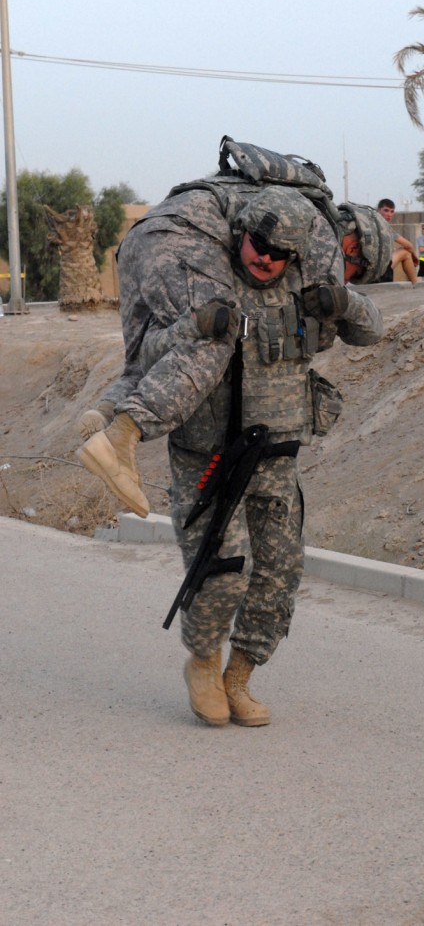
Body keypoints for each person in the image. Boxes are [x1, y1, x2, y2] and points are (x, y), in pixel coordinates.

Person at [78, 160, 392, 729]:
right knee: (222, 573)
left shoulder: (309, 285)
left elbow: (372, 329)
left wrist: (341, 303)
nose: (265, 257)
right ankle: (203, 662)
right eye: (257, 243)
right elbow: (150, 352)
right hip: (209, 456)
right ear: (240, 233)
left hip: (276, 456)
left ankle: (240, 676)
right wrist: (198, 323)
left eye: (279, 252)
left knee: (279, 575)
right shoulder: (208, 278)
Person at [376, 198, 419, 285]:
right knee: (406, 252)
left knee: (400, 250)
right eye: (386, 210)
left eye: (392, 211)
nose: (389, 214)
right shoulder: (385, 227)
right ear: (378, 210)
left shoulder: (367, 224)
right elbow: (409, 245)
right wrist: (414, 256)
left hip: (365, 271)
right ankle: (416, 285)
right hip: (378, 271)